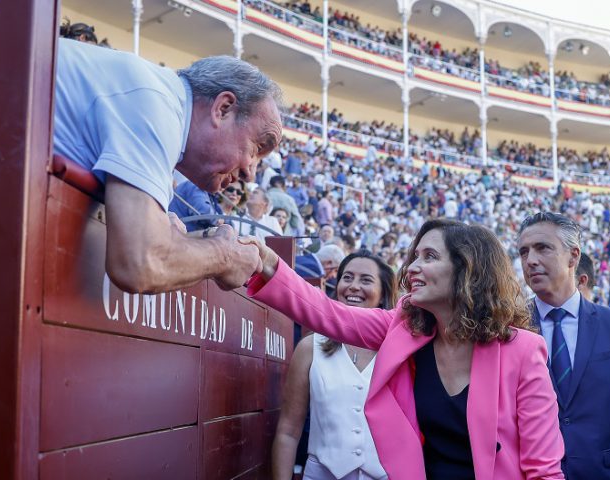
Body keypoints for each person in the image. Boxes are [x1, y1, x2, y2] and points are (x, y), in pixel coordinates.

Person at [244, 219, 565, 479]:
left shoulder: (523, 350)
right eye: (415, 256)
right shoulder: (405, 330)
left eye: (429, 257)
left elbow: (544, 470)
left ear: (466, 271)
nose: (411, 267)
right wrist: (268, 264)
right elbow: (327, 314)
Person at [53, 38, 282, 292]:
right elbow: (139, 263)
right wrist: (225, 256)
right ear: (223, 108)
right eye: (256, 149)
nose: (250, 174)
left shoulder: (160, 102)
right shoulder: (155, 104)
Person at [516, 212, 610, 480]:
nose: (530, 260)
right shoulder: (510, 328)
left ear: (573, 256)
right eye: (524, 252)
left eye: (542, 248)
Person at [272, 250, 397, 480]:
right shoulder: (310, 348)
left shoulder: (400, 351)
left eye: (366, 280)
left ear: (383, 293)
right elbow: (288, 431)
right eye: (347, 277)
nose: (353, 286)